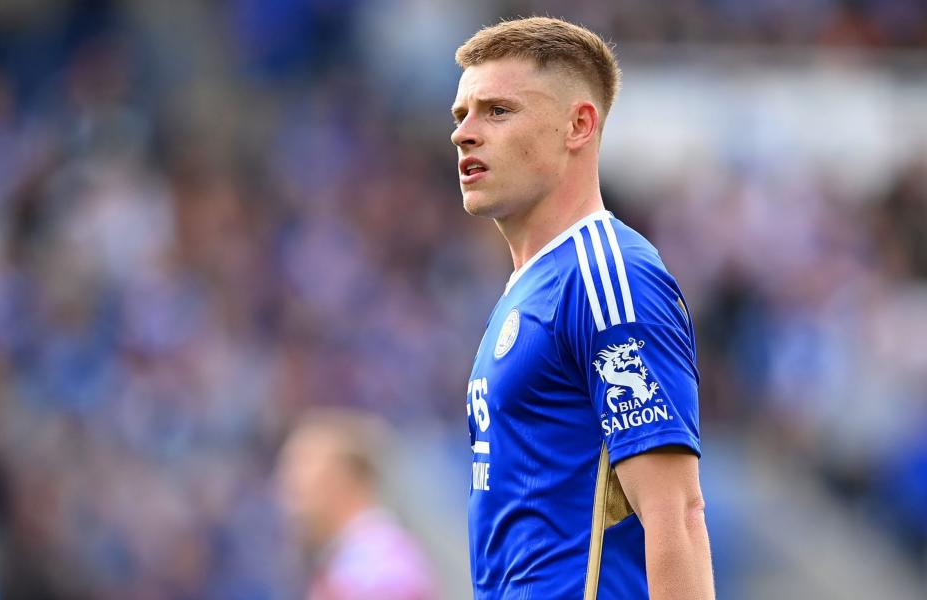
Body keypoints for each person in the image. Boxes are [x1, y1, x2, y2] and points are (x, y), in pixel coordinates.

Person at [451, 17, 715, 599]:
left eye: (496, 111)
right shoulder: (530, 286)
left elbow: (679, 515)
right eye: (461, 115)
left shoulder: (606, 277)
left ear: (578, 124)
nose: (464, 134)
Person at [275, 409, 436, 600]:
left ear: (341, 480)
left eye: (300, 477)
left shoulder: (378, 568)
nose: (286, 495)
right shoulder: (350, 562)